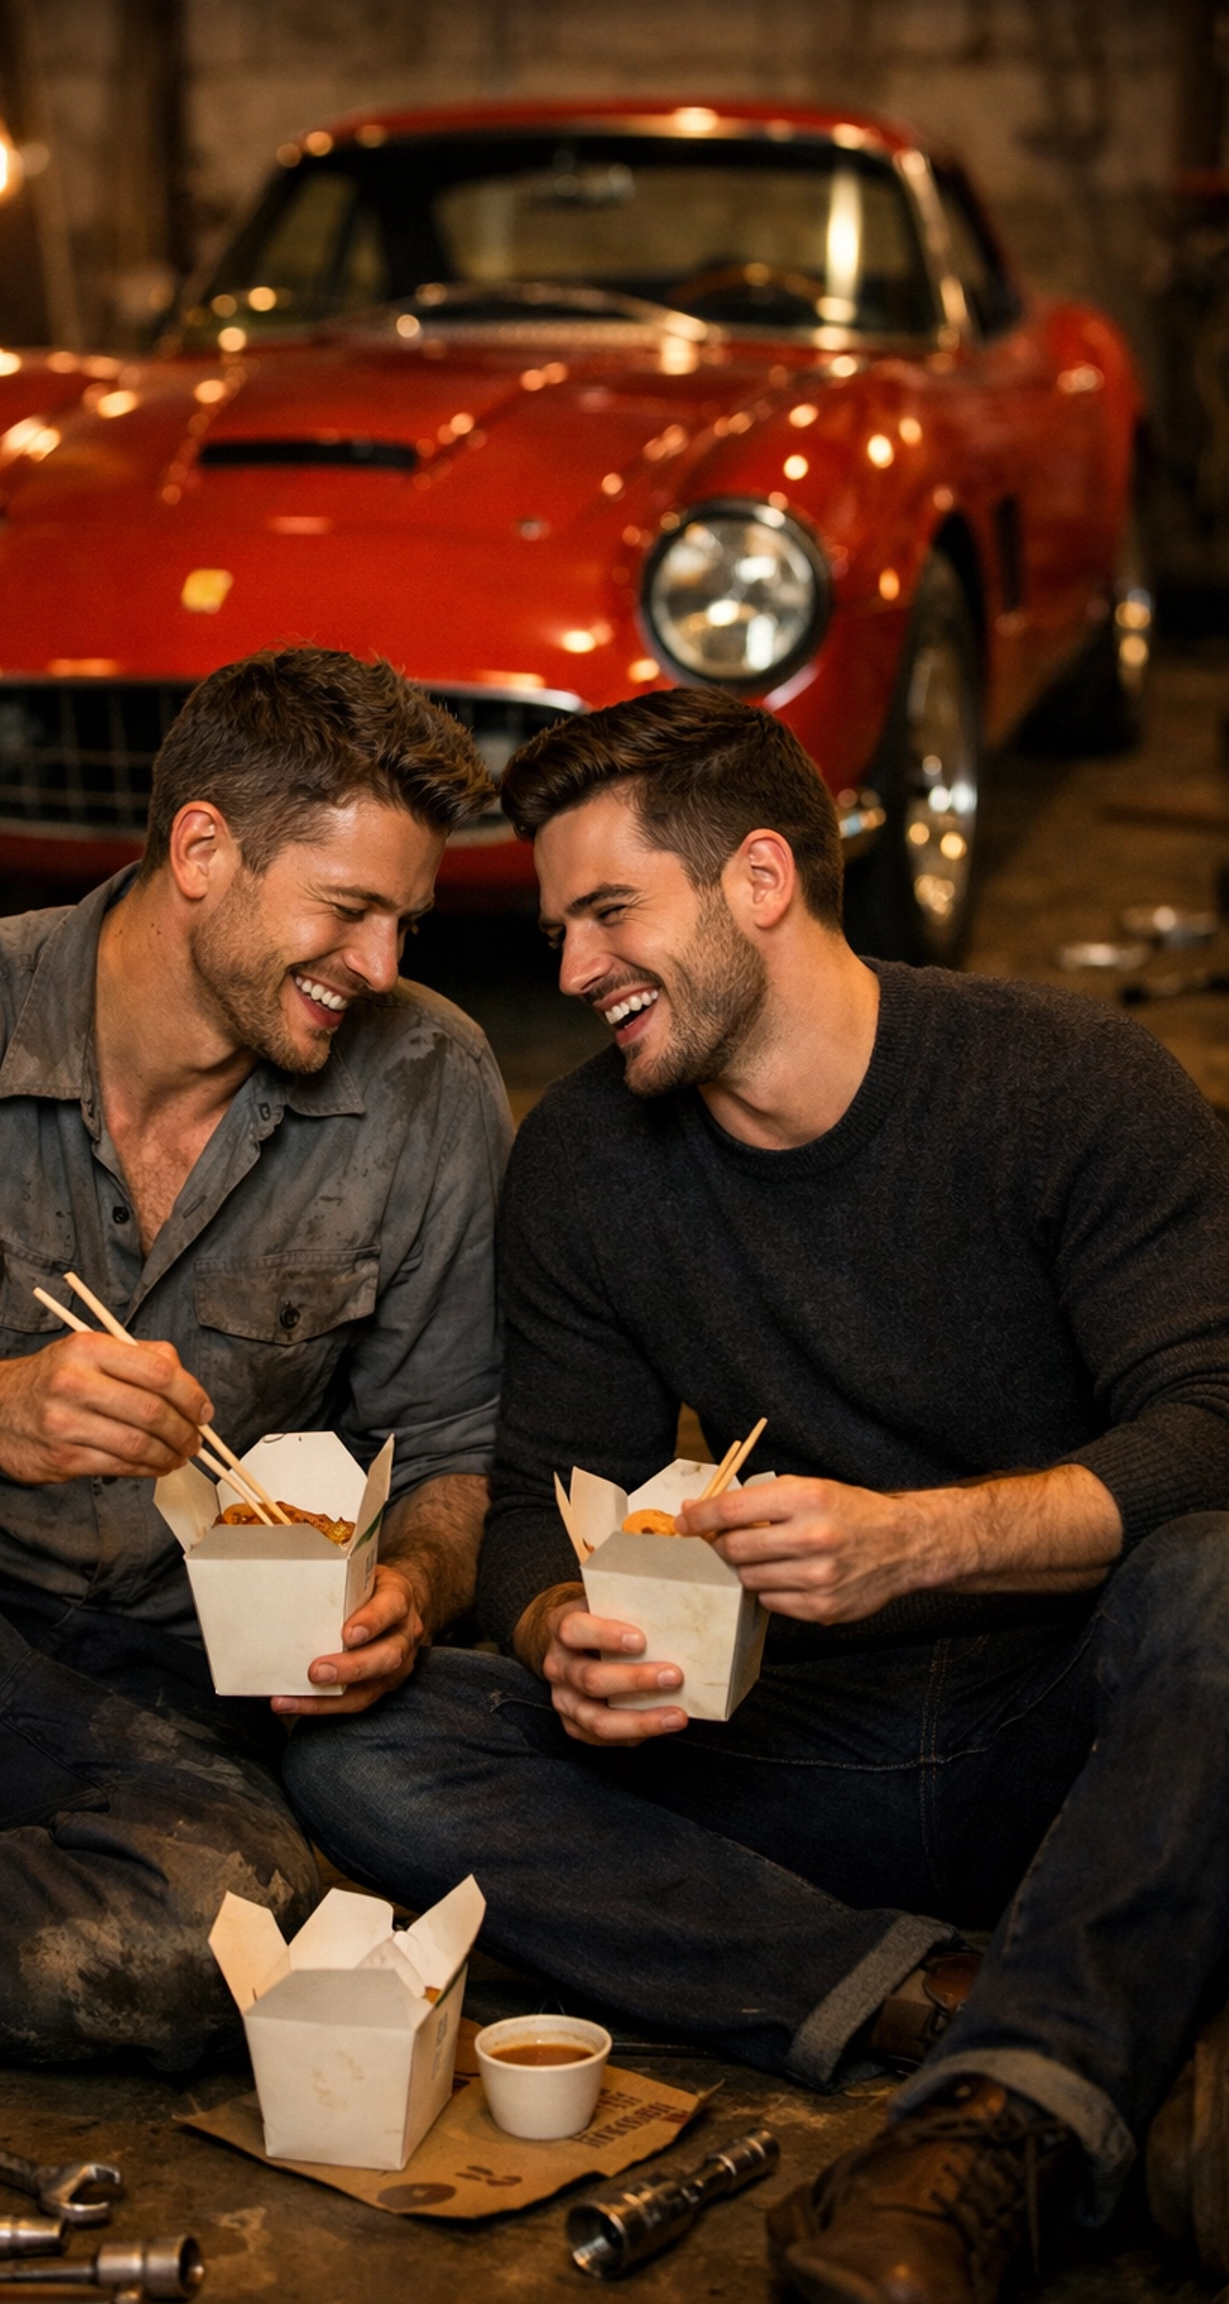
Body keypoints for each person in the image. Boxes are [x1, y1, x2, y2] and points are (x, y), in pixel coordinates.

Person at [285, 686, 1229, 2304]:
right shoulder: (586, 1163)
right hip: (779, 1741)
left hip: (1060, 1733)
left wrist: (929, 1538)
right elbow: (528, 1500)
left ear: (762, 882)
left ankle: (989, 2132)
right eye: (560, 925)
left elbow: (1211, 1425)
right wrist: (559, 1620)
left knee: (1218, 1579)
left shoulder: (1070, 1087)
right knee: (366, 1735)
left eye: (608, 914)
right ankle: (982, 1998)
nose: (572, 972)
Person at [0, 645, 511, 2169]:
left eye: (408, 918)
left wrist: (416, 1583)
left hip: (150, 1684)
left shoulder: (430, 1085)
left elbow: (455, 1451)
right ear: (204, 852)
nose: (385, 965)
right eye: (348, 911)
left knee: (241, 1948)